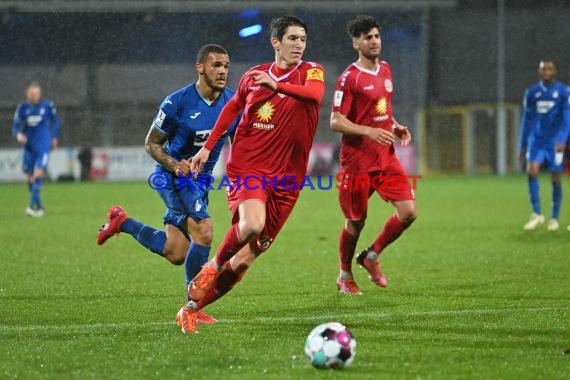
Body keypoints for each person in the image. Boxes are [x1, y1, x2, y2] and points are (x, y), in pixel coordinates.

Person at [176, 15, 325, 333]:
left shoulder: (312, 72)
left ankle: (191, 309)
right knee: (252, 224)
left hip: (288, 180)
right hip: (249, 167)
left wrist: (279, 85)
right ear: (276, 42)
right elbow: (231, 109)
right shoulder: (253, 76)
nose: (298, 45)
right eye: (292, 39)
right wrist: (206, 149)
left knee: (246, 258)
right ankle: (211, 267)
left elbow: (315, 96)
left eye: (302, 39)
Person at [96, 44, 238, 324]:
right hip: (171, 176)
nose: (222, 71)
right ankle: (192, 307)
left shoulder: (232, 103)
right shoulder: (176, 102)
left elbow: (239, 143)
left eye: (225, 66)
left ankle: (122, 222)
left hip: (200, 182)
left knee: (177, 252)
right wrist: (175, 164)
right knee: (204, 231)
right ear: (200, 68)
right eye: (215, 65)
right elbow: (151, 143)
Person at [330, 15, 417, 295]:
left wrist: (395, 125)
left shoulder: (386, 70)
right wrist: (368, 131)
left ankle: (371, 256)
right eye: (368, 37)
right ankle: (344, 275)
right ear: (356, 43)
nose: (374, 41)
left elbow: (382, 111)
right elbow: (335, 121)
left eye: (377, 36)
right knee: (356, 222)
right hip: (357, 161)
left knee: (408, 212)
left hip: (385, 157)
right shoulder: (349, 78)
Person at [518, 59, 570, 231]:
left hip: (554, 142)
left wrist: (563, 139)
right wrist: (522, 144)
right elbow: (527, 120)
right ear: (539, 72)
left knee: (555, 177)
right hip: (536, 141)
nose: (547, 71)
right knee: (531, 172)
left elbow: (567, 118)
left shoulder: (563, 91)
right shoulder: (532, 93)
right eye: (543, 69)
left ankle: (554, 218)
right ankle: (537, 213)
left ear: (555, 71)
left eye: (550, 68)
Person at [12, 82, 60, 217]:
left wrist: (54, 138)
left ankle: (31, 208)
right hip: (29, 147)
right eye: (31, 93)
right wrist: (18, 134)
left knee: (37, 175)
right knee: (29, 179)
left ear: (40, 94)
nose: (33, 96)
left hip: (43, 146)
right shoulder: (22, 108)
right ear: (28, 94)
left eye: (36, 93)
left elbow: (55, 122)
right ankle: (40, 208)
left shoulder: (48, 106)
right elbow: (15, 126)